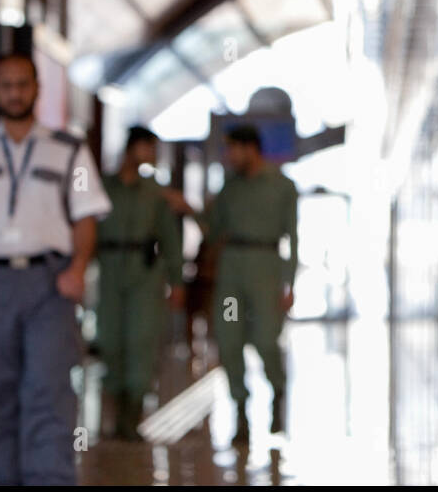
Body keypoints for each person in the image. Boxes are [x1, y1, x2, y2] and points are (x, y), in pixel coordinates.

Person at [0, 51, 111, 485]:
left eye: (23, 84)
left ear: (36, 89)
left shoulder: (69, 152)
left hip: (50, 283)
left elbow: (85, 215)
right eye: (5, 84)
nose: (15, 93)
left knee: (47, 390)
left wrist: (79, 266)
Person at [202, 123, 299, 445]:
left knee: (265, 340)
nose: (229, 156)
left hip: (266, 269)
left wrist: (290, 284)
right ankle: (240, 410)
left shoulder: (282, 186)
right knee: (229, 339)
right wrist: (195, 210)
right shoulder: (229, 188)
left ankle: (277, 389)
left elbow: (293, 237)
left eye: (233, 149)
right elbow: (212, 232)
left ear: (251, 148)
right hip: (232, 272)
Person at [96, 125, 185, 440]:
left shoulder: (156, 192)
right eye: (148, 148)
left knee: (141, 341)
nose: (151, 156)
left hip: (145, 274)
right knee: (110, 339)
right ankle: (114, 412)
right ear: (133, 147)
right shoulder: (102, 188)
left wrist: (177, 280)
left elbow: (170, 238)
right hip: (109, 270)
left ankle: (131, 417)